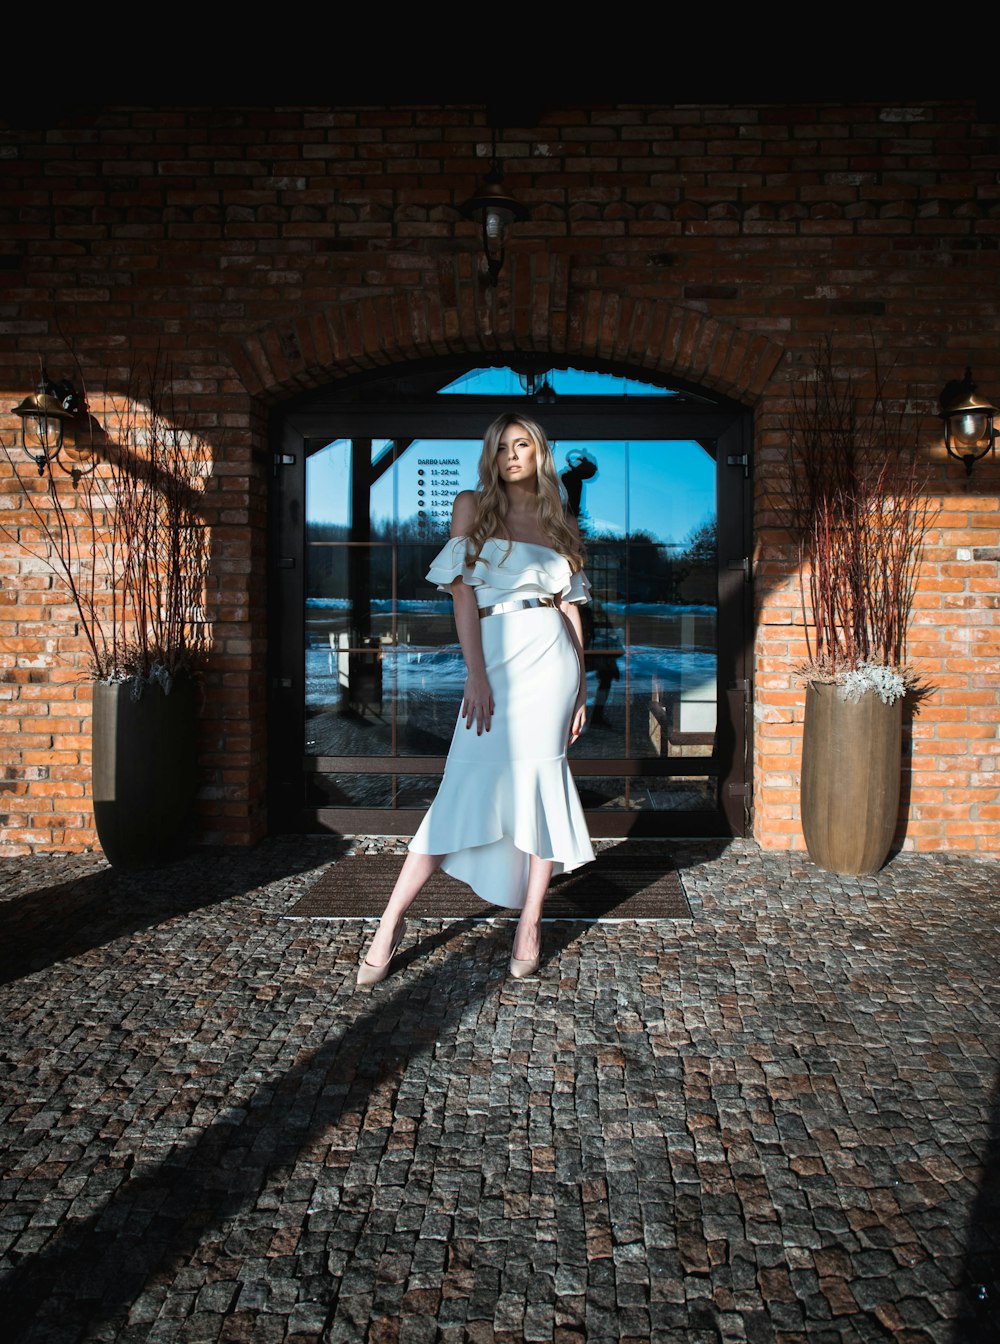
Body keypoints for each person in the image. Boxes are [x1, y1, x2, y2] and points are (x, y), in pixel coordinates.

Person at [356, 413, 595, 987]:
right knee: (460, 788)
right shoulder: (472, 506)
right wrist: (477, 674)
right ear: (492, 455)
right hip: (496, 661)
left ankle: (529, 924)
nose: (513, 456)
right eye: (503, 447)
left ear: (539, 454)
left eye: (524, 446)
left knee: (544, 787)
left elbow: (570, 607)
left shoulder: (558, 517)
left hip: (552, 665)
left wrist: (581, 684)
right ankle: (390, 923)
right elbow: (463, 599)